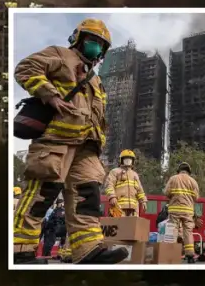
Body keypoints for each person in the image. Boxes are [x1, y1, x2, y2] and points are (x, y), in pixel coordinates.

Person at [12, 18, 128, 264]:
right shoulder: (60, 55)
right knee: (42, 194)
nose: (96, 47)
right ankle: (19, 249)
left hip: (87, 147)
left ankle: (88, 250)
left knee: (88, 198)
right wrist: (49, 94)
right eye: (92, 40)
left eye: (101, 44)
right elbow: (26, 68)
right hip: (56, 140)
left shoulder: (95, 79)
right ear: (78, 39)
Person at [164, 161, 200, 264]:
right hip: (188, 211)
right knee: (188, 232)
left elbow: (167, 193)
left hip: (174, 210)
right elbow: (196, 197)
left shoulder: (173, 179)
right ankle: (190, 255)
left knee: (173, 231)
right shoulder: (193, 181)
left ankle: (171, 255)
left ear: (178, 170)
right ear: (189, 171)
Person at [105, 149, 147, 217]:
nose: (128, 161)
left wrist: (143, 201)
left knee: (132, 227)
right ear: (121, 160)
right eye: (126, 159)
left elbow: (140, 190)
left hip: (133, 208)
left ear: (133, 161)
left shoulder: (135, 175)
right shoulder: (115, 172)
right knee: (119, 226)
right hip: (118, 206)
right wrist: (112, 197)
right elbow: (109, 185)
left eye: (130, 160)